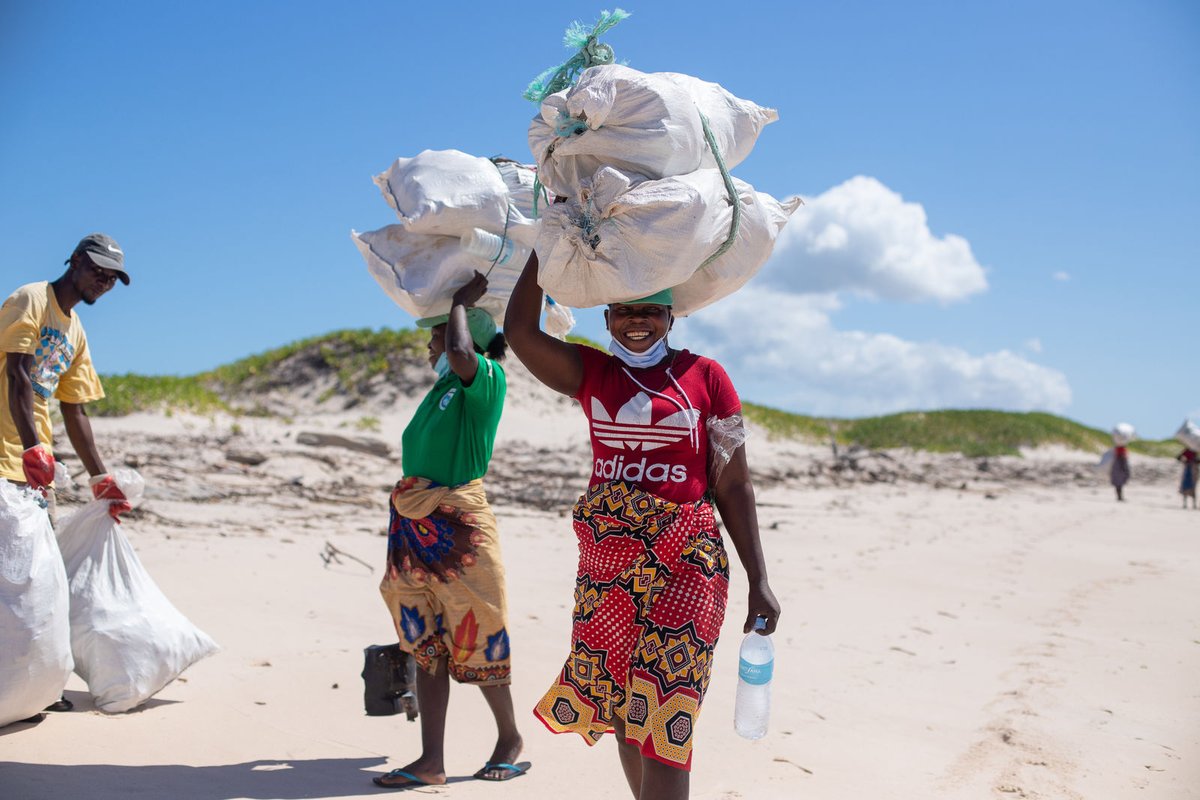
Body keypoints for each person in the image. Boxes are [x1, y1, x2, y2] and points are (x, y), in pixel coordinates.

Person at [504, 252, 781, 800]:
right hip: (608, 569)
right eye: (625, 310)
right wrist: (548, 243)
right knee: (624, 710)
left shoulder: (707, 378)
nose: (638, 321)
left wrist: (760, 579)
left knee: (667, 712)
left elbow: (734, 484)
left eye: (650, 311)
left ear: (670, 318)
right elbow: (518, 330)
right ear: (605, 319)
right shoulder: (591, 373)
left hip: (689, 564)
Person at [374, 272, 527, 789]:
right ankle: (431, 762)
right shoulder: (443, 388)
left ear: (465, 336)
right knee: (426, 642)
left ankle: (509, 738)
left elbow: (463, 353)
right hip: (413, 528)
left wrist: (461, 300)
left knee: (481, 634)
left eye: (436, 333)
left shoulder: (485, 378)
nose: (429, 343)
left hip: (459, 529)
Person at [2, 233, 134, 716]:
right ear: (75, 260)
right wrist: (33, 444)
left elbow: (75, 411)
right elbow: (16, 373)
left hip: (38, 468)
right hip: (6, 455)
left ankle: (35, 684)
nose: (104, 281)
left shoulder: (76, 331)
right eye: (98, 269)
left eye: (112, 277)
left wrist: (101, 480)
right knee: (7, 577)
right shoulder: (31, 299)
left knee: (44, 577)